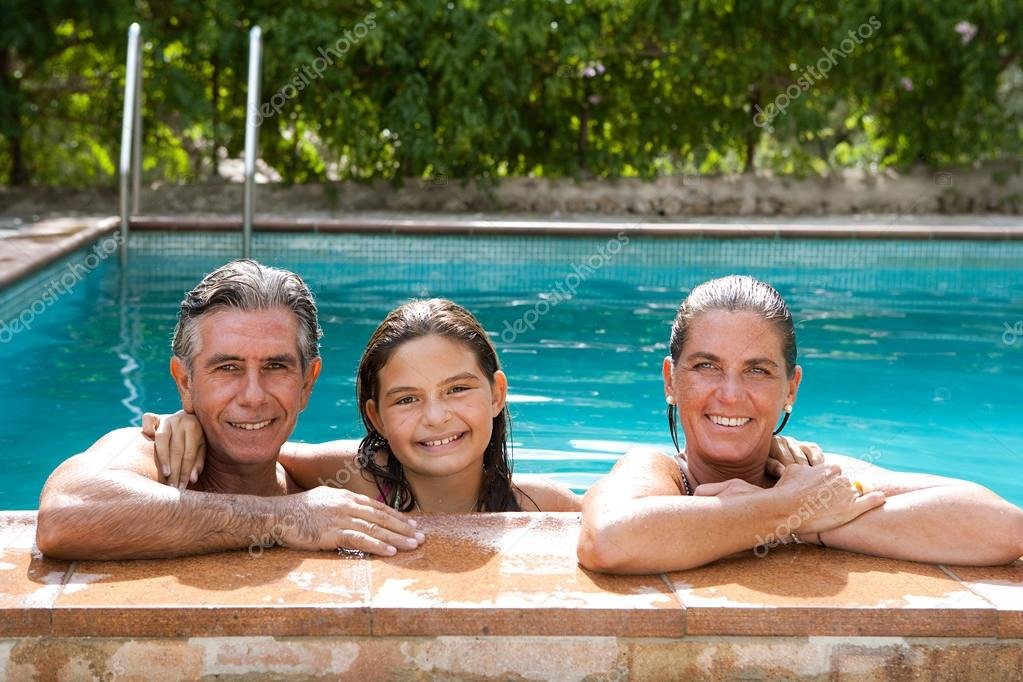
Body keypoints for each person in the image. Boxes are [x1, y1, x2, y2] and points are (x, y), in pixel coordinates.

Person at [577, 275, 1023, 574]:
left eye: (757, 370)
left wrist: (807, 518)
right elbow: (609, 540)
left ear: (791, 388)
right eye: (707, 366)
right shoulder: (657, 471)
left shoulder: (811, 474)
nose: (730, 394)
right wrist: (785, 510)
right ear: (671, 381)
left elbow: (1004, 528)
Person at [36, 260, 423, 560]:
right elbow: (63, 514)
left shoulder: (325, 485)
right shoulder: (152, 456)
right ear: (185, 382)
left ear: (307, 383)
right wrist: (284, 517)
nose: (253, 396)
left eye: (276, 366)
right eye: (227, 368)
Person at [148, 298, 582, 512]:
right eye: (407, 399)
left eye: (457, 389)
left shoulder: (542, 505)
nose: (436, 417)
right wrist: (193, 426)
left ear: (497, 395)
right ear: (376, 416)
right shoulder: (353, 480)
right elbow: (256, 449)